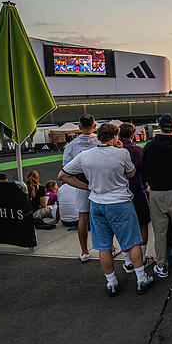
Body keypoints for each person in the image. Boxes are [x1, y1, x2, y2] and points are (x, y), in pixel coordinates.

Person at [59, 123, 153, 296]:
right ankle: (141, 278)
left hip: (97, 202)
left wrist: (87, 187)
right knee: (133, 242)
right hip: (120, 202)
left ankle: (111, 282)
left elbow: (63, 175)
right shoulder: (121, 153)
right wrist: (120, 150)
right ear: (115, 136)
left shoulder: (85, 155)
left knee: (104, 246)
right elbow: (131, 174)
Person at [140, 114, 172, 278]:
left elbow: (143, 171)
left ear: (159, 127)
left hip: (156, 192)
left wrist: (150, 185)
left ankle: (162, 265)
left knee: (160, 232)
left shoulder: (149, 147)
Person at [62, 114, 108, 262]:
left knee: (83, 217)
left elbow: (66, 168)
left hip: (82, 183)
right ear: (94, 126)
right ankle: (108, 248)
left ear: (79, 127)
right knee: (104, 216)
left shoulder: (71, 145)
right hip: (100, 182)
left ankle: (84, 251)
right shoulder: (101, 141)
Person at [119, 122, 154, 273]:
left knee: (123, 226)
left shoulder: (114, 151)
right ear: (133, 135)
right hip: (138, 191)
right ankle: (143, 256)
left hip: (120, 194)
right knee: (143, 224)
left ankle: (128, 260)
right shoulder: (139, 150)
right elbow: (147, 172)